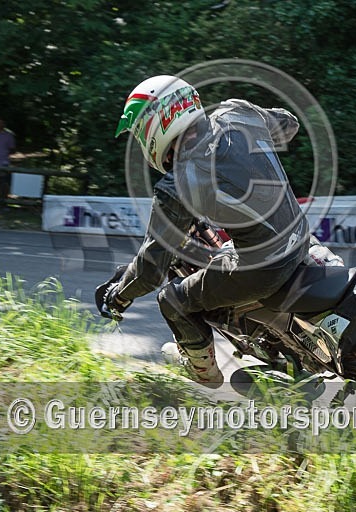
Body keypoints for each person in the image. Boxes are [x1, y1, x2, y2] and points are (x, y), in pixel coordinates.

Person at [98, 75, 310, 386]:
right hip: (301, 239)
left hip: (263, 269)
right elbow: (289, 124)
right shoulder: (237, 113)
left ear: (157, 123)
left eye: (142, 134)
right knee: (226, 252)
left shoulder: (179, 182)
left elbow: (152, 266)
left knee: (172, 299)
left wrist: (118, 296)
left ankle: (203, 371)